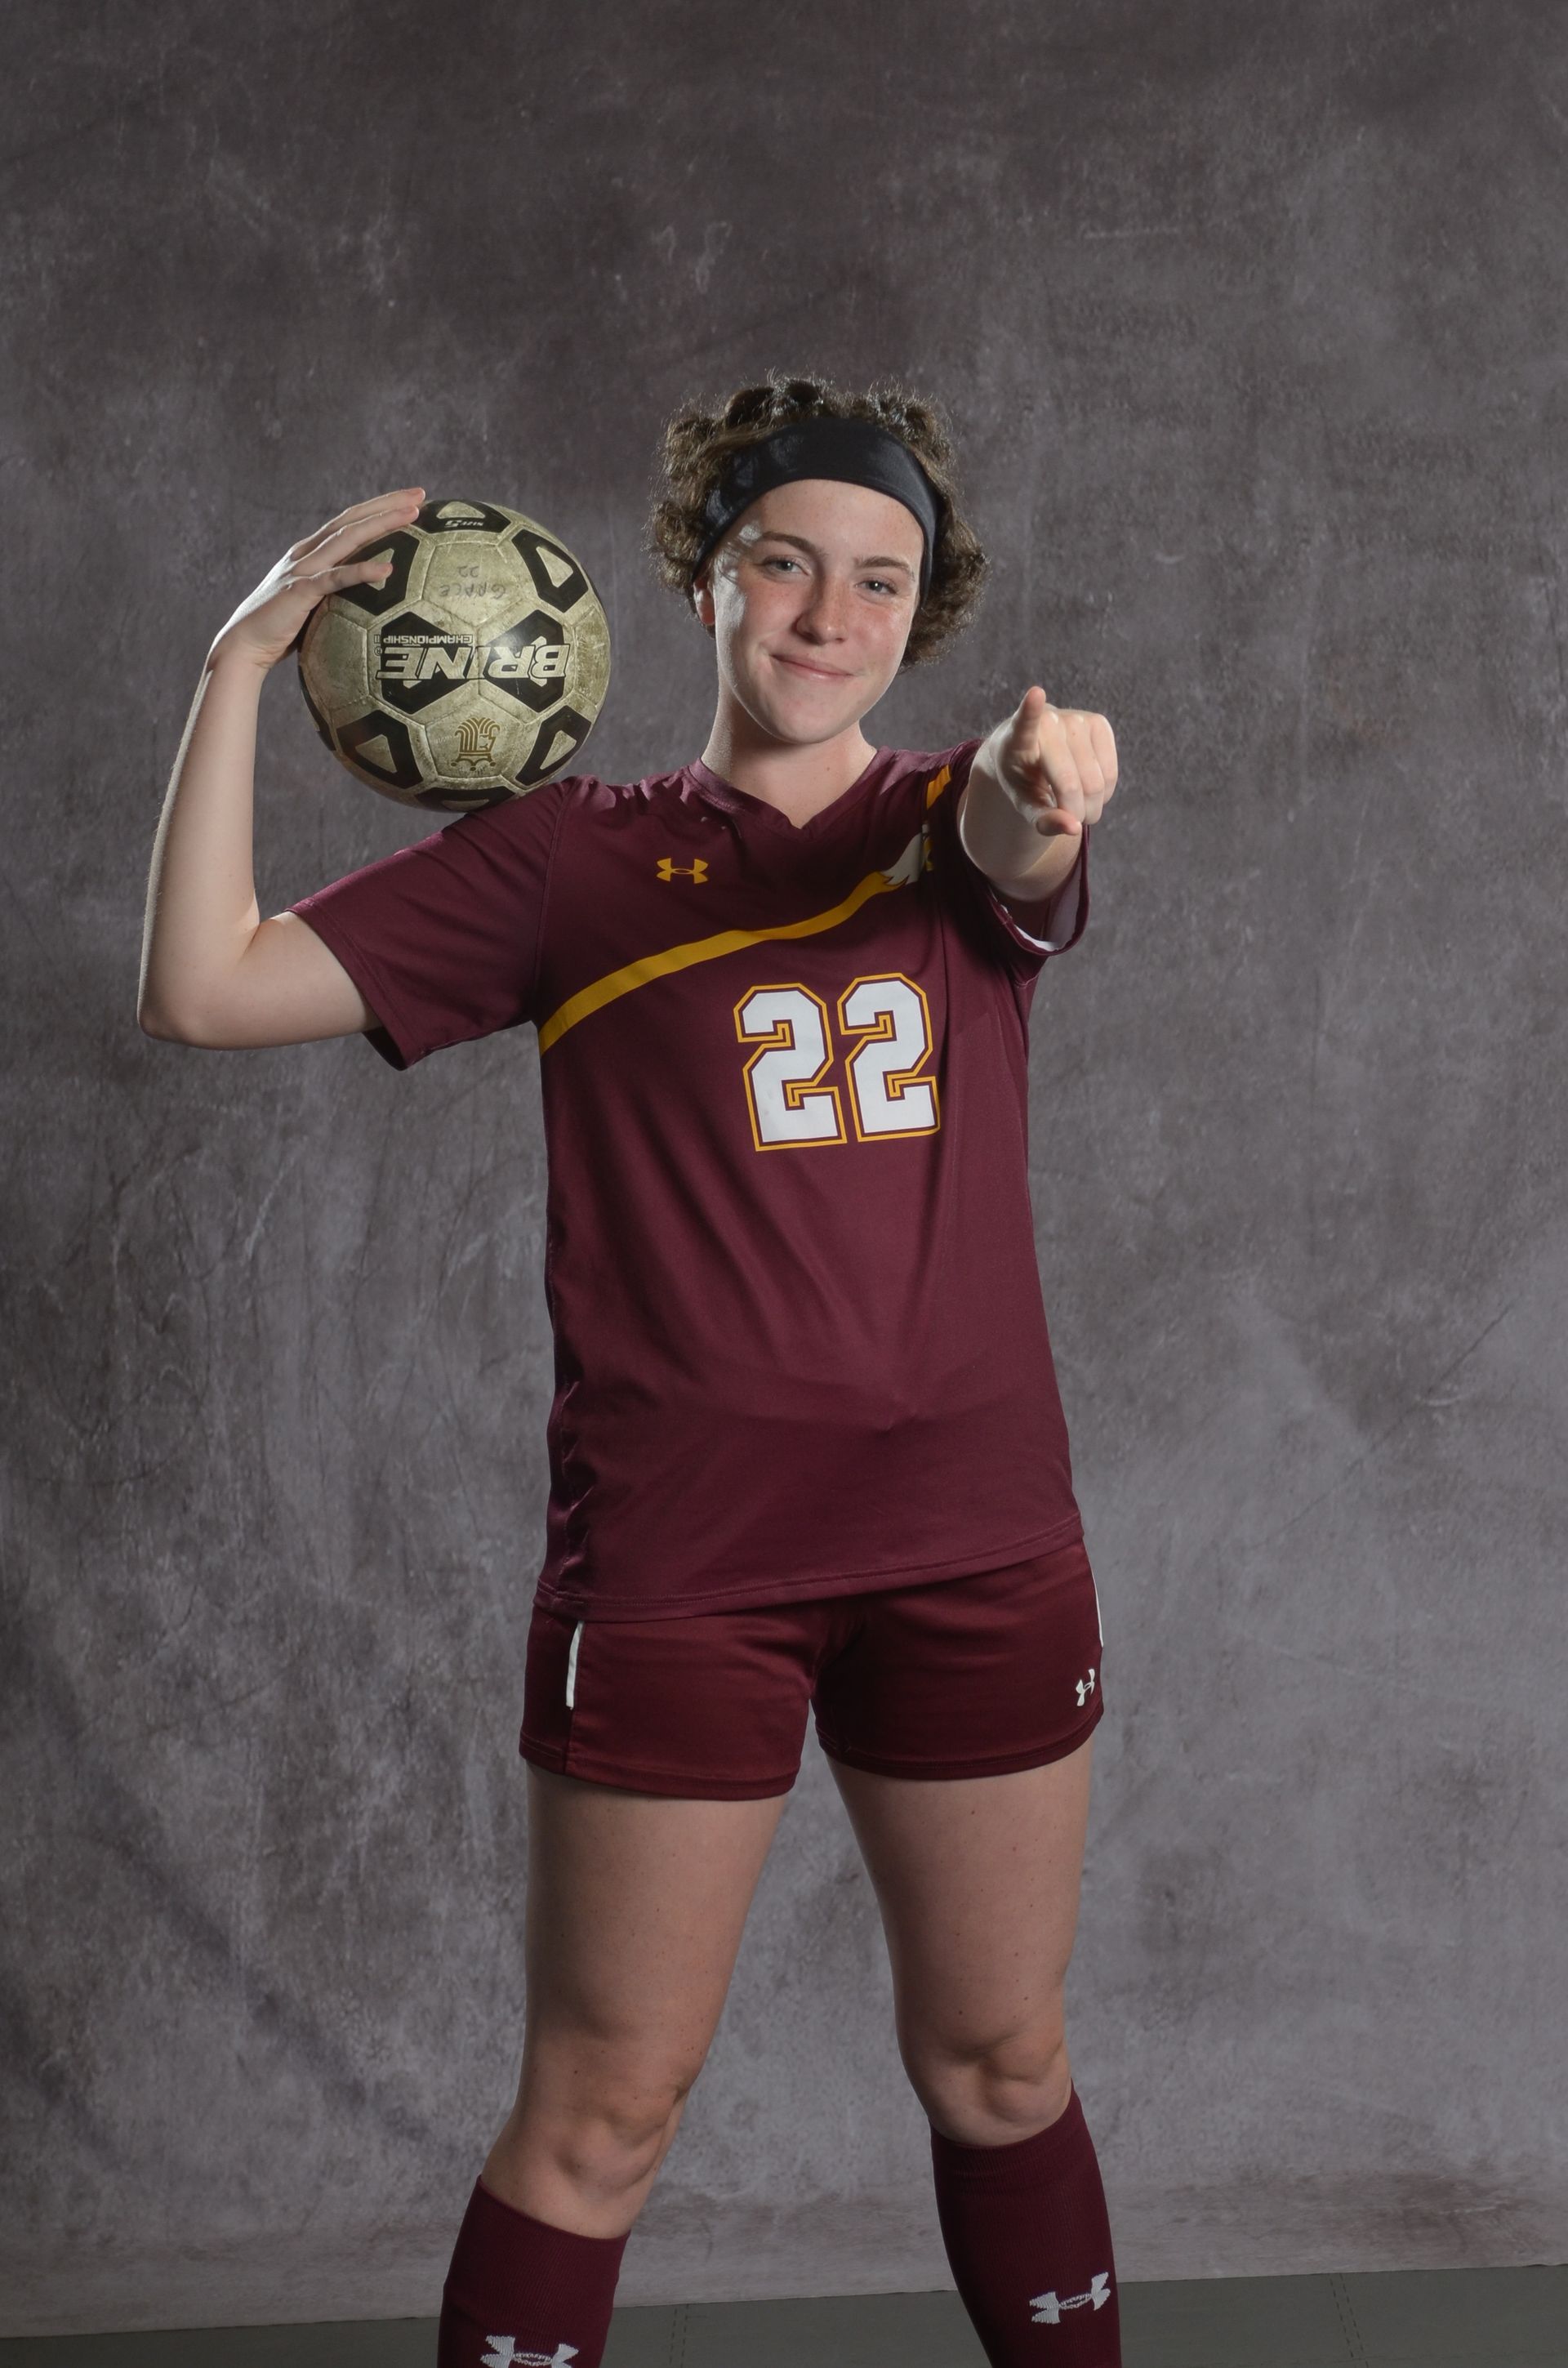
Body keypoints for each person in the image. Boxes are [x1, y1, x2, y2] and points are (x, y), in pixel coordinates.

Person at [137, 372, 1122, 2368]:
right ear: (698, 578)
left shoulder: (948, 823)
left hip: (978, 1549)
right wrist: (237, 665)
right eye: (783, 562)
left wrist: (1052, 788)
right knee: (603, 2113)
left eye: (878, 580)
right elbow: (202, 986)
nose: (826, 615)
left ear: (922, 614)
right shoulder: (565, 863)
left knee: (1005, 2059)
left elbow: (1020, 845)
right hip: (682, 1572)